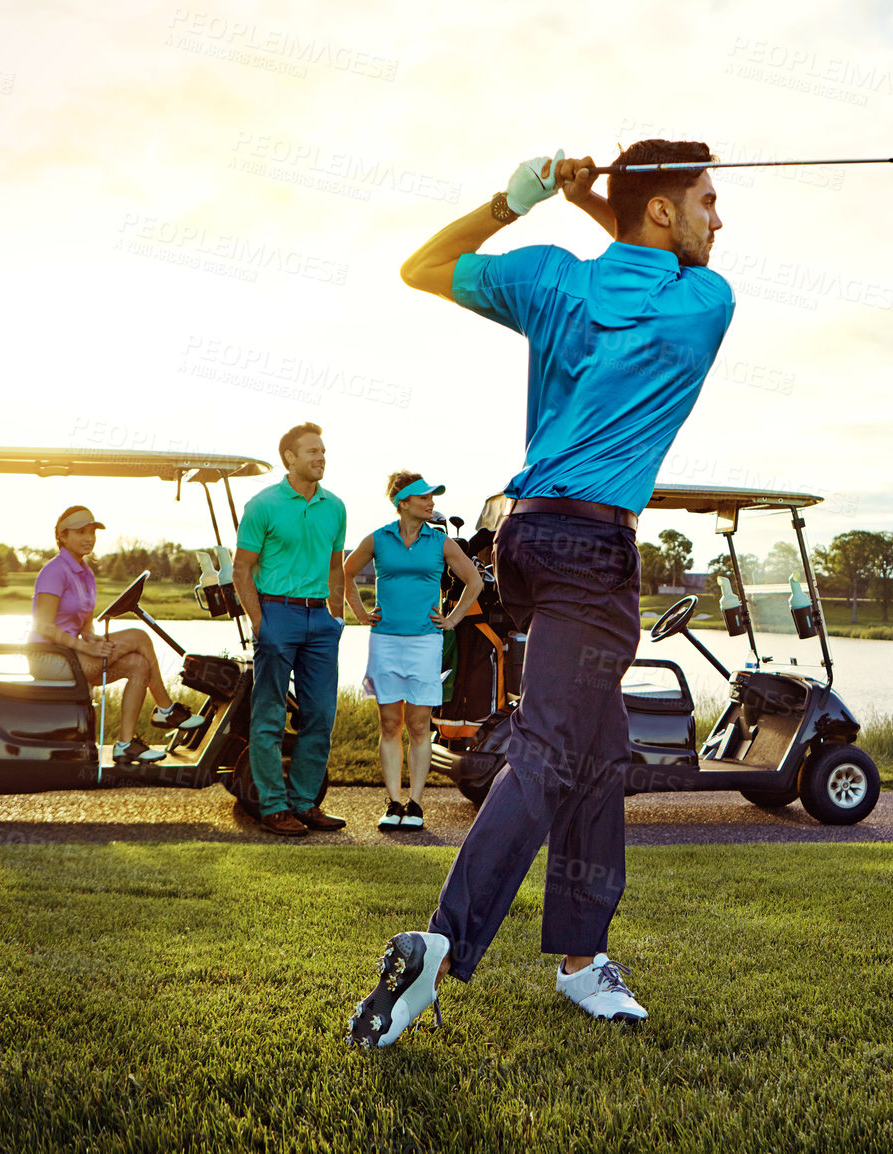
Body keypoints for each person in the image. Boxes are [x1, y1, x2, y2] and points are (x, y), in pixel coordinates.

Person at [347, 139, 732, 1047]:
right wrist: (602, 199)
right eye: (707, 202)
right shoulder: (703, 301)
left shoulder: (554, 280)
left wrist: (525, 199)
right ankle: (438, 945)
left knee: (600, 755)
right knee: (555, 753)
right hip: (594, 549)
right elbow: (656, 249)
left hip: (522, 537)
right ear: (670, 213)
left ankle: (582, 962)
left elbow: (423, 266)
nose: (722, 219)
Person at [342, 472, 485, 832]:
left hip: (425, 643)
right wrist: (360, 614)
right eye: (423, 497)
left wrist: (451, 619)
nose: (431, 502)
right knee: (389, 723)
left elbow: (475, 581)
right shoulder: (378, 539)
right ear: (402, 502)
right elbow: (345, 573)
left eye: (432, 497)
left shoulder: (440, 542)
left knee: (419, 725)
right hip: (385, 642)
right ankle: (393, 802)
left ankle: (416, 804)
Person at [232, 423, 351, 837]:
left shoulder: (335, 507)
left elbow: (336, 568)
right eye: (312, 451)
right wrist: (260, 622)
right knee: (269, 715)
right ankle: (272, 806)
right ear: (290, 458)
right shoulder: (263, 504)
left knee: (319, 714)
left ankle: (304, 803)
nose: (320, 458)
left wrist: (337, 618)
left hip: (321, 620)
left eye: (323, 451)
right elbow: (241, 569)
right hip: (276, 615)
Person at [29, 506, 205, 765]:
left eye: (92, 532)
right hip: (48, 658)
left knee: (138, 665)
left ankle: (124, 744)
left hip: (73, 652)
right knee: (139, 636)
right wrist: (86, 648)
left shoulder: (86, 574)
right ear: (62, 536)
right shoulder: (54, 571)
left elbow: (84, 626)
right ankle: (166, 709)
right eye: (80, 532)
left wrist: (92, 640)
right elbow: (43, 627)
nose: (89, 538)